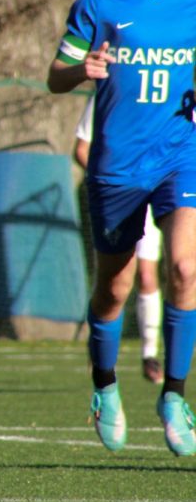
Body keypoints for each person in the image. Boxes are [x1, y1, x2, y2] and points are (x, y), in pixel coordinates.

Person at [47, 0, 196, 457]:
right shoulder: (99, 0)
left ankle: (175, 396)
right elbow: (55, 77)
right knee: (116, 286)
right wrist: (81, 71)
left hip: (181, 156)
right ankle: (105, 387)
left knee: (186, 269)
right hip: (116, 167)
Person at [73, 95, 164, 384]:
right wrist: (109, 178)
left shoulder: (172, 89)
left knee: (149, 276)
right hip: (116, 197)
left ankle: (150, 355)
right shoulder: (108, 90)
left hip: (152, 198)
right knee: (114, 282)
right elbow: (82, 148)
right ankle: (99, 348)